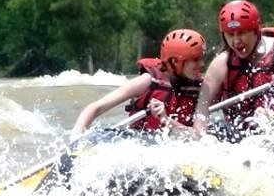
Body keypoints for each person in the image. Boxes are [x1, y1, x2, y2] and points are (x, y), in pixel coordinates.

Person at [193, 0, 274, 136]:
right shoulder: (220, 64)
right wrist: (204, 139)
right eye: (230, 35)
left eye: (241, 33)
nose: (236, 41)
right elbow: (201, 116)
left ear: (255, 31)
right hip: (238, 137)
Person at [71, 29, 205, 137]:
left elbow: (198, 136)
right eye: (195, 60)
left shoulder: (201, 87)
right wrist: (75, 140)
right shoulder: (147, 81)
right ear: (175, 61)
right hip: (141, 142)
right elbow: (94, 108)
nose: (202, 64)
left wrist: (166, 120)